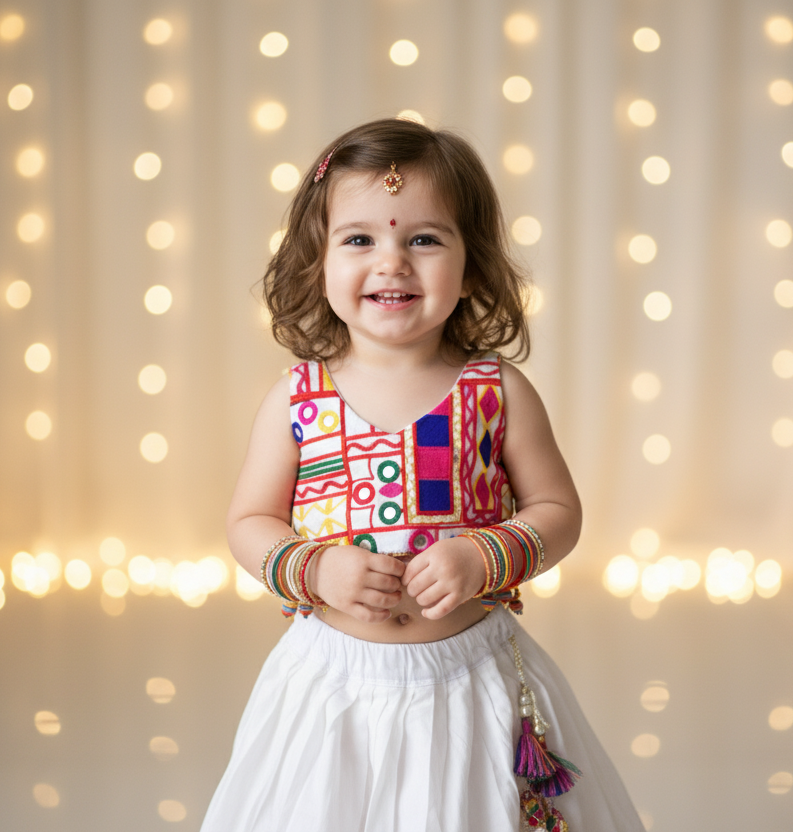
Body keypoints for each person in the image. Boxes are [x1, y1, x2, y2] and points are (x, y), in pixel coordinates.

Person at [200, 118, 643, 831]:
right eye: (359, 239)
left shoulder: (495, 391)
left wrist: (482, 553)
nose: (392, 263)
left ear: (471, 268)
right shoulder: (297, 397)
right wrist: (313, 571)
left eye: (424, 239)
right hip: (331, 688)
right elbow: (249, 522)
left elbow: (557, 508)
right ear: (318, 262)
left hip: (472, 683)